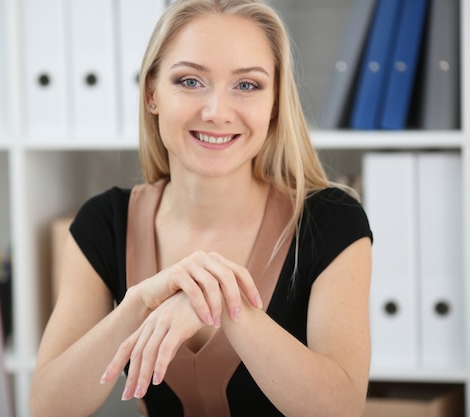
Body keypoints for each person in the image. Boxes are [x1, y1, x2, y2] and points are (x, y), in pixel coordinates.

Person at [29, 0, 373, 416]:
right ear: (153, 93)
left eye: (247, 85)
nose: (216, 112)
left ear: (276, 102)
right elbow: (47, 407)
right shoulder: (103, 223)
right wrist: (141, 303)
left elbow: (342, 410)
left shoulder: (332, 220)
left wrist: (219, 304)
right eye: (190, 81)